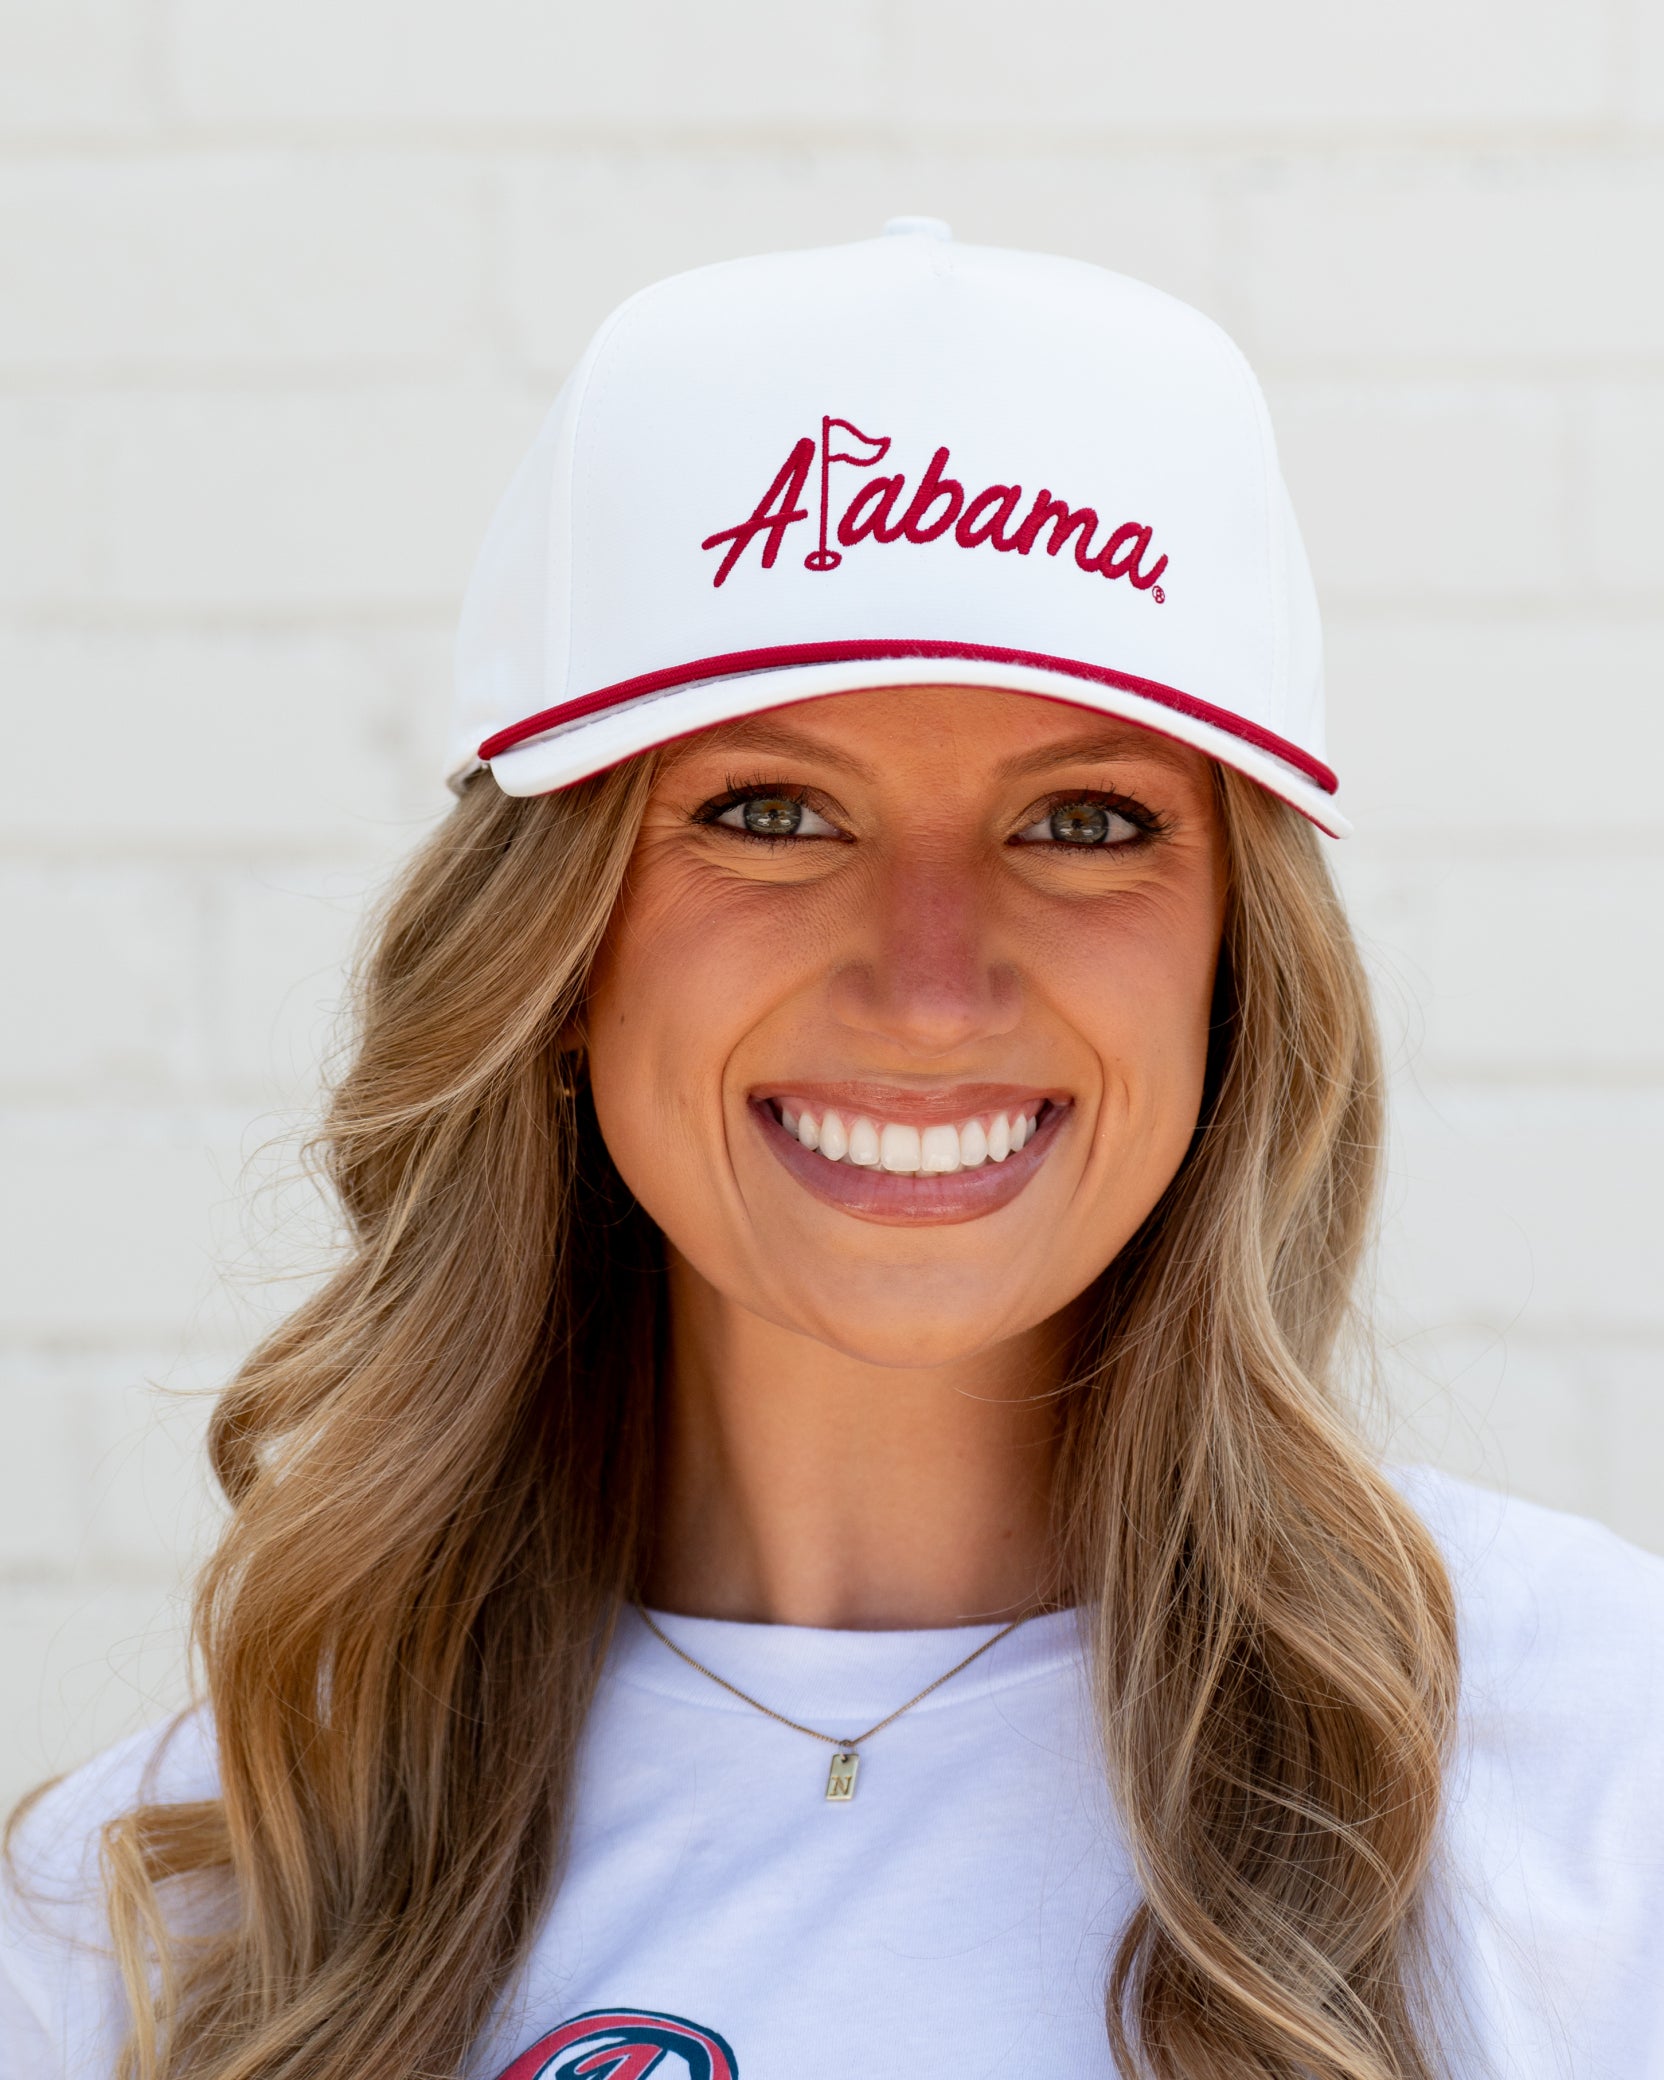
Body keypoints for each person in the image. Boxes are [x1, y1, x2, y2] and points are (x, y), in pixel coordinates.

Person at [4, 219, 1661, 2080]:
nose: (934, 989)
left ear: (1234, 970)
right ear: (553, 955)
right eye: (774, 811)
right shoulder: (179, 1910)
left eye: (1091, 818)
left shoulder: (1589, 1764)